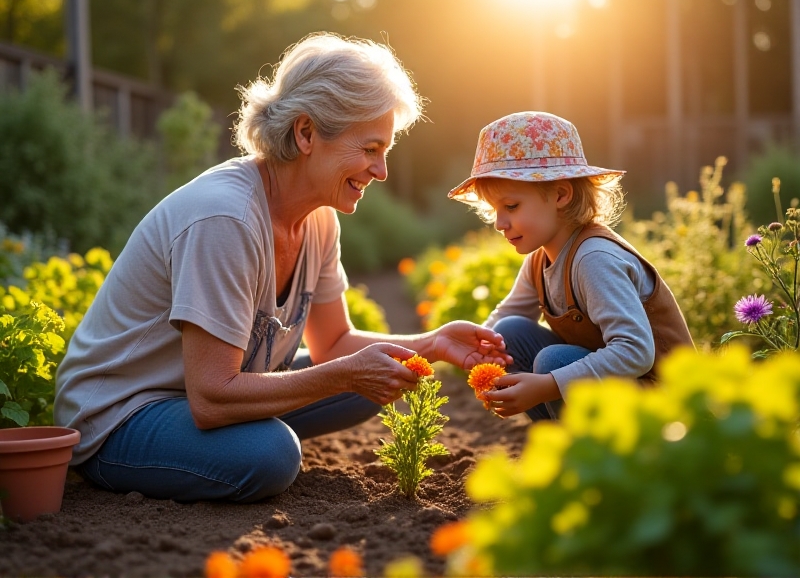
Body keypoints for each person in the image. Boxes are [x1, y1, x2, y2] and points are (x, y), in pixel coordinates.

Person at [54, 33, 509, 503]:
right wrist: (344, 374)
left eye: (385, 152)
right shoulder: (225, 219)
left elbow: (333, 342)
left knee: (371, 380)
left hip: (193, 398)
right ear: (306, 132)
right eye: (370, 149)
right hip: (121, 418)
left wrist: (431, 344)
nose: (382, 171)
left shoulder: (320, 220)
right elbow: (211, 397)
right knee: (272, 454)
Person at [448, 111, 693, 421]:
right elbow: (504, 318)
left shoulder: (594, 258)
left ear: (561, 194)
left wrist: (549, 384)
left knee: (554, 362)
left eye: (511, 206)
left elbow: (636, 352)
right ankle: (561, 440)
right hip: (619, 394)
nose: (499, 223)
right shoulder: (540, 260)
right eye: (495, 209)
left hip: (666, 407)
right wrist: (476, 347)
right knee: (507, 332)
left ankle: (584, 450)